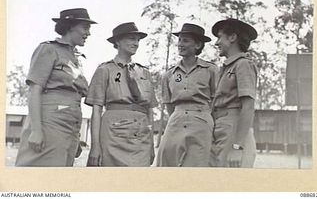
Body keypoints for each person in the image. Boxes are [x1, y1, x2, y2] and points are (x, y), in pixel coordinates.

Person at [15, 8, 97, 166]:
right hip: (49, 122)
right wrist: (36, 130)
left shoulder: (77, 58)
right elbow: (34, 90)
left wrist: (76, 136)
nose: (88, 33)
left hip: (69, 125)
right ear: (71, 26)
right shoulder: (48, 49)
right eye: (85, 28)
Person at [85, 22, 157, 167]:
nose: (136, 43)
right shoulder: (105, 70)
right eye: (131, 38)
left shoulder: (144, 72)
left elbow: (150, 110)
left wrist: (150, 143)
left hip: (140, 135)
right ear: (117, 41)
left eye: (138, 40)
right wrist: (95, 146)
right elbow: (97, 110)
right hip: (113, 134)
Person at [156, 23, 219, 167]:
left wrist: (210, 122)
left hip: (201, 118)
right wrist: (178, 116)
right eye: (179, 40)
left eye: (185, 40)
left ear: (197, 45)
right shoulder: (169, 74)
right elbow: (169, 104)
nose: (180, 44)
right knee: (165, 160)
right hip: (176, 120)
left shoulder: (211, 70)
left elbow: (216, 101)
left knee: (197, 164)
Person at [210, 18, 258, 168]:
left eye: (220, 37)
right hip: (221, 129)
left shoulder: (243, 64)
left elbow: (248, 107)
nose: (217, 43)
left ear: (232, 37)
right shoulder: (225, 68)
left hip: (235, 131)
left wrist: (237, 147)